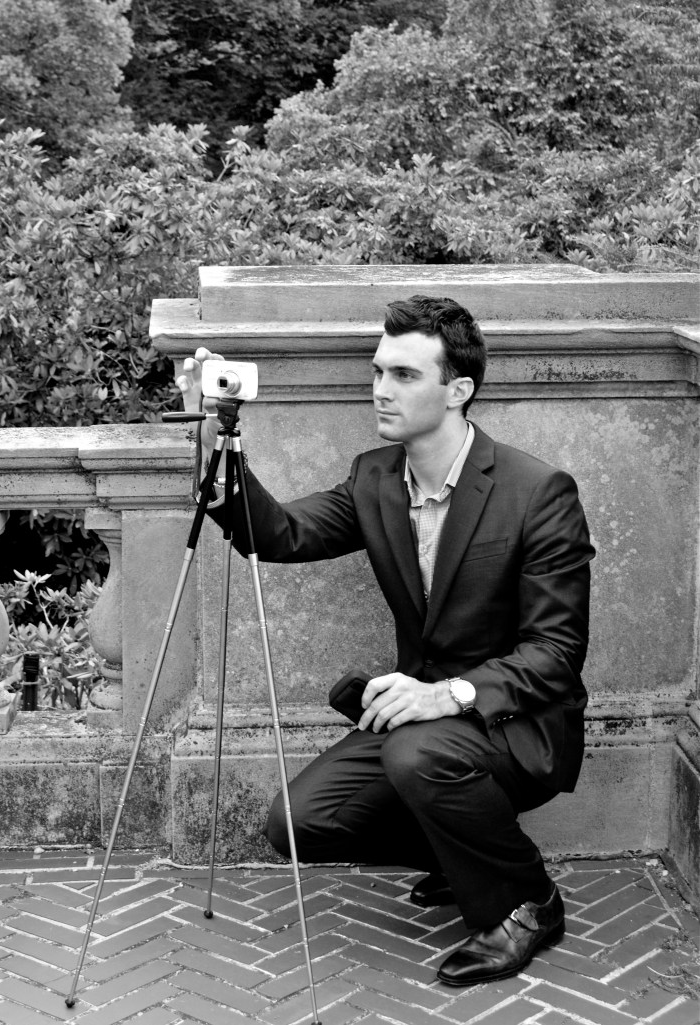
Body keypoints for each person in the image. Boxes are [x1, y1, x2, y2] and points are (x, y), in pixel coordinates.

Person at [176, 294, 595, 986]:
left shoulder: (537, 491)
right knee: (300, 821)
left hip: (518, 724)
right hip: (417, 723)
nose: (380, 388)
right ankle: (458, 852)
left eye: (403, 374)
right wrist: (214, 451)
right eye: (378, 371)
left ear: (457, 390)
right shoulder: (374, 478)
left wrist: (444, 695)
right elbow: (278, 533)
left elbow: (556, 653)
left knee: (417, 751)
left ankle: (526, 901)